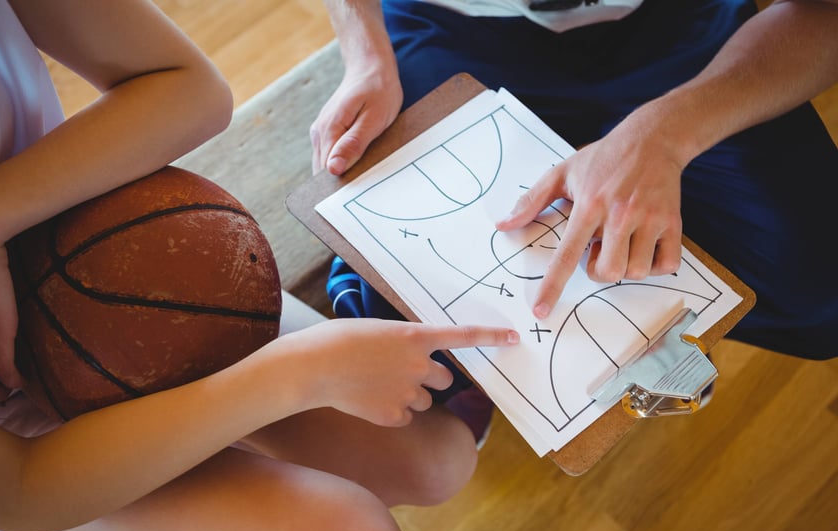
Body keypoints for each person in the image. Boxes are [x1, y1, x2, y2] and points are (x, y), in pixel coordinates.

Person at [0, 1, 519, 531]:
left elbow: (190, 87)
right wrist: (301, 371)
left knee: (437, 463)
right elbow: (21, 487)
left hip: (73, 252)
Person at [311, 0, 838, 420]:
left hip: (680, 26)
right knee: (404, 331)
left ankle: (620, 327)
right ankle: (495, 381)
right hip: (451, 26)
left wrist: (665, 135)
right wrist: (365, 55)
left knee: (822, 299)